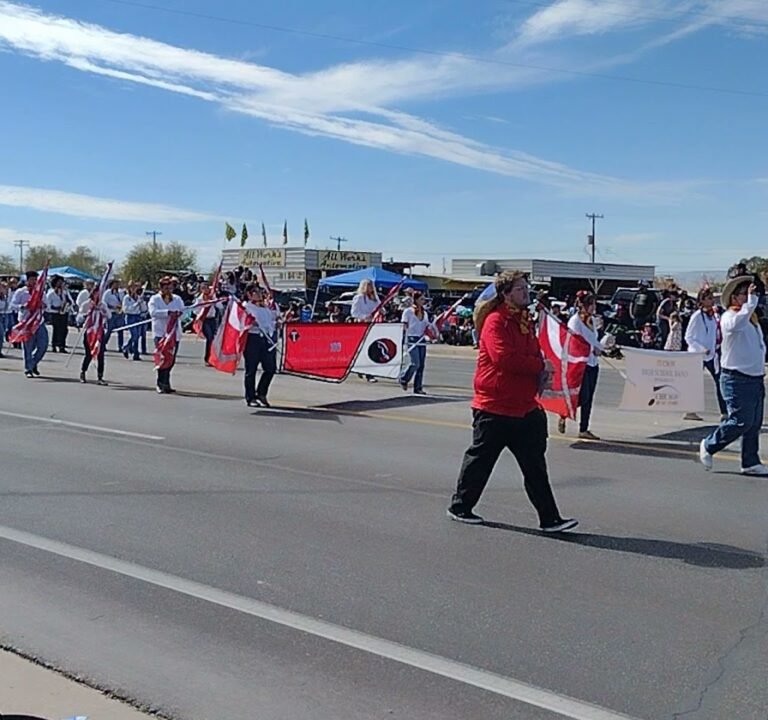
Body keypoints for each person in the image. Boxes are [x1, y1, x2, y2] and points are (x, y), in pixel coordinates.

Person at [447, 271, 578, 532]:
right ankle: (461, 506)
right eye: (520, 289)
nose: (525, 293)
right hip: (494, 407)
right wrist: (539, 365)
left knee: (535, 467)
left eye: (525, 288)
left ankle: (549, 518)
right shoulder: (496, 322)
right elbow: (504, 358)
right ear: (505, 293)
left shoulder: (523, 321)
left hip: (524, 407)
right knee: (480, 462)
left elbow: (530, 353)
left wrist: (541, 367)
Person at [699, 276, 767, 476]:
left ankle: (750, 461)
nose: (750, 298)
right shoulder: (731, 317)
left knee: (753, 423)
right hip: (736, 378)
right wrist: (750, 304)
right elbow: (735, 325)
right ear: (734, 298)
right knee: (740, 421)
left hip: (754, 378)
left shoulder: (752, 320)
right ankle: (710, 444)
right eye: (745, 294)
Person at [562, 291, 604, 440]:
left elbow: (593, 339)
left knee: (590, 397)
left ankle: (584, 428)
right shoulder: (575, 321)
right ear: (583, 305)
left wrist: (603, 347)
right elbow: (575, 343)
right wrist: (592, 349)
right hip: (581, 363)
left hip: (593, 362)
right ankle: (564, 411)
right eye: (591, 304)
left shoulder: (592, 320)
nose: (594, 307)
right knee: (583, 396)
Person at [684, 287, 727, 422]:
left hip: (712, 355)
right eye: (708, 298)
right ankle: (690, 411)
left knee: (720, 381)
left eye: (712, 297)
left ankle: (724, 412)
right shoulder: (697, 316)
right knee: (694, 383)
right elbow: (688, 337)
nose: (712, 300)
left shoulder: (713, 316)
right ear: (702, 300)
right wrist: (700, 348)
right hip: (697, 355)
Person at [243, 284, 279, 407]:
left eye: (259, 291)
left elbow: (271, 322)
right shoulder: (246, 307)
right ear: (249, 294)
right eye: (255, 292)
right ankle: (250, 397)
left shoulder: (266, 308)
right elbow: (241, 322)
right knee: (251, 370)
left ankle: (261, 393)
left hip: (266, 340)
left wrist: (277, 324)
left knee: (270, 368)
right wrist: (249, 322)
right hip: (252, 339)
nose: (258, 294)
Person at [148, 276, 184, 394]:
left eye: (170, 287)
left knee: (171, 360)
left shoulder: (177, 299)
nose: (169, 290)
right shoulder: (155, 299)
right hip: (160, 333)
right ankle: (160, 383)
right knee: (163, 359)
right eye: (166, 287)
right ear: (161, 288)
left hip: (174, 334)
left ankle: (166, 382)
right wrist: (168, 313)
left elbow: (183, 311)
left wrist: (178, 313)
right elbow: (153, 313)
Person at [12, 270, 48, 378]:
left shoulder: (41, 292)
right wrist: (23, 306)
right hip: (26, 322)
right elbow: (12, 305)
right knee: (28, 346)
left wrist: (43, 305)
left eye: (35, 280)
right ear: (27, 280)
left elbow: (48, 306)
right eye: (31, 280)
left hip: (38, 322)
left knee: (43, 345)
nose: (34, 282)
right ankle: (28, 368)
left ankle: (33, 363)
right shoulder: (21, 292)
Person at [399, 291, 434, 395]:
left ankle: (418, 387)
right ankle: (404, 378)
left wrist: (431, 332)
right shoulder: (408, 311)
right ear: (416, 300)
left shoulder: (425, 313)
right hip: (411, 338)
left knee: (421, 365)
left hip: (421, 338)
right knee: (415, 363)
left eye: (424, 300)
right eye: (421, 299)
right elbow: (404, 324)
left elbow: (427, 325)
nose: (423, 301)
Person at [77, 288, 109, 385]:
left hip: (99, 332)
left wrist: (103, 310)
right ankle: (83, 372)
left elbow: (109, 315)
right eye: (96, 294)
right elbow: (79, 318)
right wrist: (87, 314)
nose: (97, 296)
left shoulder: (102, 304)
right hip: (89, 332)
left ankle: (100, 376)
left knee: (101, 355)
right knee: (89, 354)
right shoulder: (86, 304)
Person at [350, 278, 380, 383]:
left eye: (371, 285)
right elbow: (354, 313)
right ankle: (367, 372)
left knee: (374, 349)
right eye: (368, 285)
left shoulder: (374, 298)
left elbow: (379, 307)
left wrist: (380, 312)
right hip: (363, 325)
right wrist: (364, 316)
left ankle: (367, 371)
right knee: (365, 349)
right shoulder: (359, 298)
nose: (370, 288)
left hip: (374, 326)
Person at [46, 275, 70, 352]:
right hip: (54, 314)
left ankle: (61, 345)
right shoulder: (51, 293)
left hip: (63, 313)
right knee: (56, 329)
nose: (61, 284)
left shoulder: (64, 292)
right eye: (59, 282)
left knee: (64, 330)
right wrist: (56, 308)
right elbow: (48, 306)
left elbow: (69, 301)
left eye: (62, 282)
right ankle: (54, 345)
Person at [121, 283, 144, 361]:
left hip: (138, 317)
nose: (134, 289)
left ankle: (136, 353)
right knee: (135, 335)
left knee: (138, 336)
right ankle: (126, 347)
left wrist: (142, 303)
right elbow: (126, 309)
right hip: (130, 317)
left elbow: (144, 309)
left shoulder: (138, 297)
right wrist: (136, 304)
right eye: (132, 287)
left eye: (135, 287)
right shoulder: (126, 298)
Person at [103, 279, 124, 351]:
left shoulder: (120, 292)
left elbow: (122, 301)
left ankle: (120, 346)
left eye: (117, 284)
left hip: (119, 313)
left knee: (120, 330)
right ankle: (103, 343)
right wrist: (113, 307)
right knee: (109, 330)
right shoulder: (107, 293)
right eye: (115, 284)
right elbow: (104, 303)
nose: (117, 285)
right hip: (111, 313)